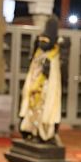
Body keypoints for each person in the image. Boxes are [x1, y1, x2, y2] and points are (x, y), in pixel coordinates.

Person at [18, 15, 63, 144]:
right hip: (35, 85)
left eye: (46, 40)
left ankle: (42, 134)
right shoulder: (40, 52)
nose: (42, 43)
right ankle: (33, 132)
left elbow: (54, 74)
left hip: (45, 87)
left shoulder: (53, 54)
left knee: (43, 110)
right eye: (41, 40)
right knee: (33, 110)